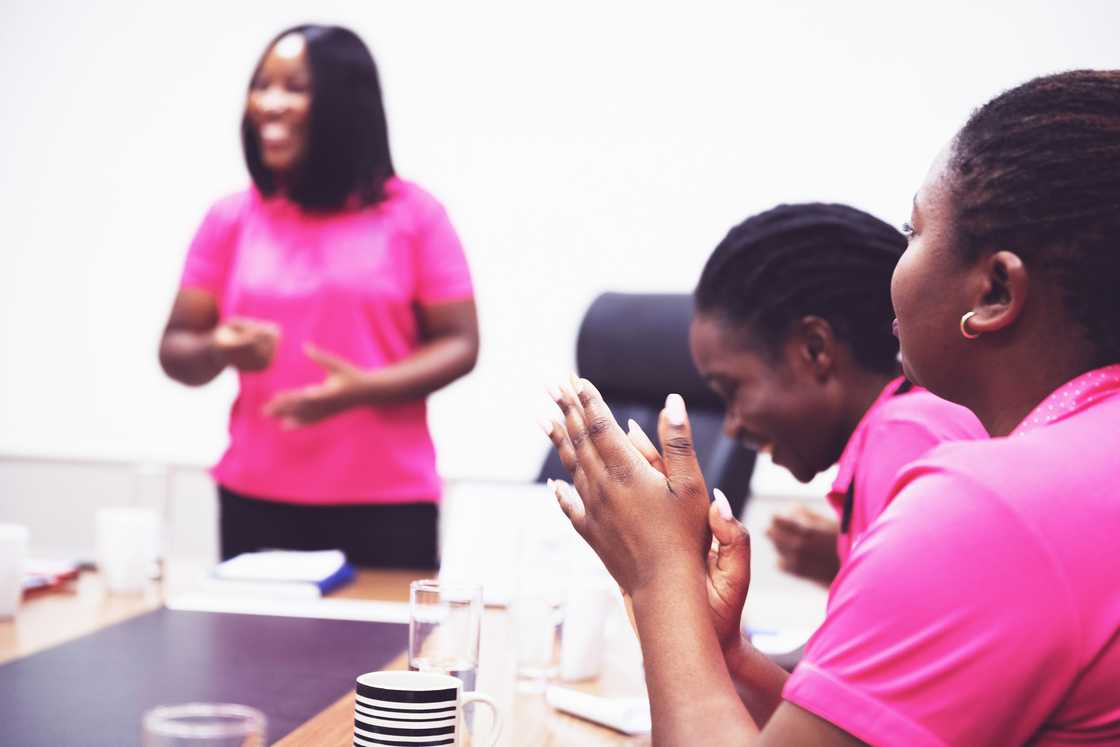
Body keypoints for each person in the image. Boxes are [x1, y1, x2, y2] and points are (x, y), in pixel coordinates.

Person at [544, 69, 1120, 744]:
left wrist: (657, 574)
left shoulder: (987, 503)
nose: (892, 273)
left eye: (913, 231)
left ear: (994, 290)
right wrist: (721, 654)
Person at [159, 25, 478, 569]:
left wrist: (362, 390)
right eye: (262, 85)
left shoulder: (414, 216)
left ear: (344, 102)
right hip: (255, 498)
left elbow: (460, 344)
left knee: (386, 659)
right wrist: (220, 349)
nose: (269, 103)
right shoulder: (230, 219)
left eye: (294, 87)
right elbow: (177, 350)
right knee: (250, 657)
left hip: (387, 504)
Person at [686, 204, 984, 586]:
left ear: (814, 350)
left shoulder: (903, 438)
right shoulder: (919, 422)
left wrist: (664, 568)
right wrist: (849, 564)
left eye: (732, 391)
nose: (732, 427)